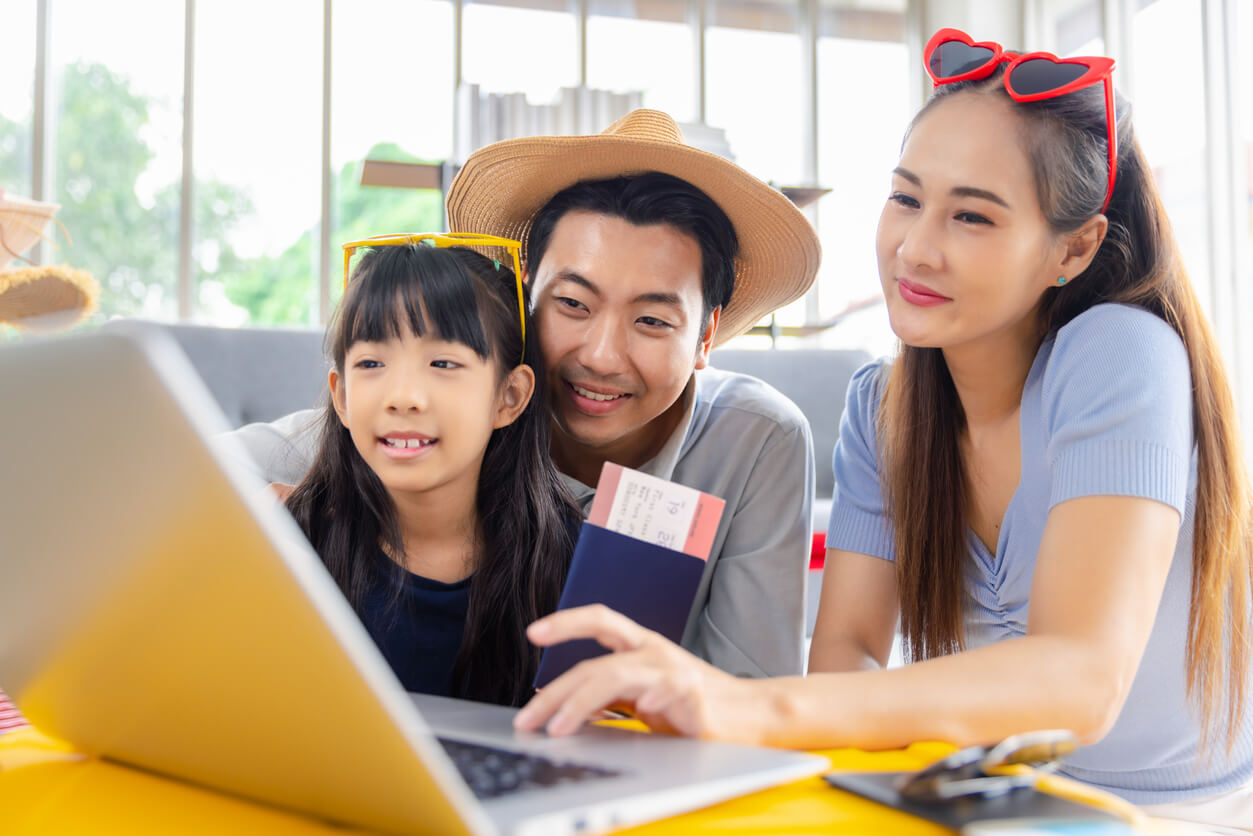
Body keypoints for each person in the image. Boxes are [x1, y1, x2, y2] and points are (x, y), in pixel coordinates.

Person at [512, 30, 1253, 829]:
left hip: (1168, 812)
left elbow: (1080, 681)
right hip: (973, 798)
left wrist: (745, 707)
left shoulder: (1117, 351)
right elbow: (846, 658)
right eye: (906, 198)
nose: (914, 247)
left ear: (1072, 248)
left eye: (971, 216)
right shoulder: (885, 408)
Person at [230, 110, 822, 679]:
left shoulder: (756, 440)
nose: (600, 355)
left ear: (706, 334)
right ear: (524, 295)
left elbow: (755, 691)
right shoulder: (456, 405)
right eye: (572, 304)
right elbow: (207, 467)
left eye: (652, 321)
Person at [283, 238, 580, 707]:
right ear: (341, 397)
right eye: (371, 363)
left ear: (509, 396)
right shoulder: (286, 543)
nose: (403, 397)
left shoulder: (575, 564)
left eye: (443, 363)